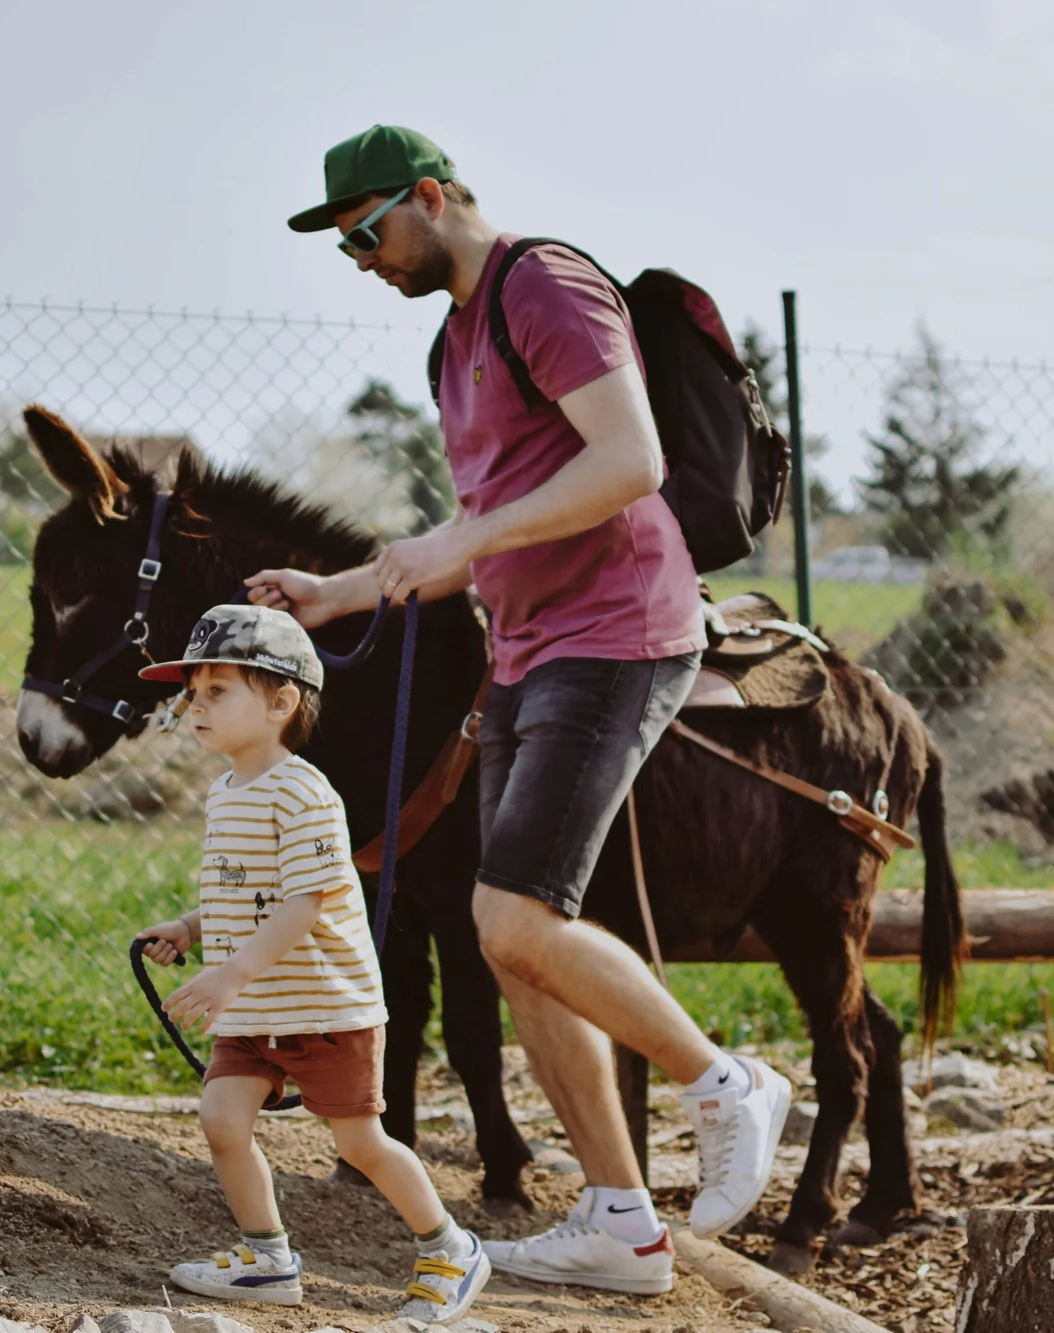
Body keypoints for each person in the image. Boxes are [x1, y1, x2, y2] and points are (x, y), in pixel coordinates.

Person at [249, 125, 792, 1295]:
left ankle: (725, 1083)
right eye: (342, 248)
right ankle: (620, 1222)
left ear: (429, 196)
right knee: (522, 949)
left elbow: (629, 460)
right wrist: (337, 592)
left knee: (510, 919)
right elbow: (479, 523)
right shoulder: (452, 343)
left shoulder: (540, 285)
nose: (358, 260)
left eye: (364, 234)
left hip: (615, 635)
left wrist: (466, 541)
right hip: (528, 651)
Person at [133, 603, 491, 1323]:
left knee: (360, 1142)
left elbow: (304, 904)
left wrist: (230, 974)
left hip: (326, 1004)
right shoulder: (225, 793)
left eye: (217, 690)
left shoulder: (303, 793)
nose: (196, 706)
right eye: (192, 693)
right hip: (256, 1007)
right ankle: (267, 1257)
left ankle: (451, 1248)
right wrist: (192, 928)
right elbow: (246, 895)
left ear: (281, 703)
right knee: (222, 1118)